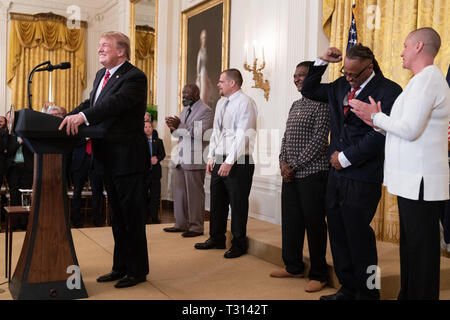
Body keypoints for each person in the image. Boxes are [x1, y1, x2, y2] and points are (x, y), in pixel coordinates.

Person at [349, 28, 450, 300]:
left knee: (421, 254)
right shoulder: (420, 81)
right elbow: (404, 128)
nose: (402, 51)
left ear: (419, 46)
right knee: (411, 249)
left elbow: (410, 129)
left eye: (405, 45)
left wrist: (377, 117)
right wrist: (376, 121)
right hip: (411, 180)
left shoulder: (429, 79)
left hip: (421, 181)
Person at [301, 44, 403, 300]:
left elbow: (381, 135)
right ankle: (347, 288)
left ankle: (369, 293)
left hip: (363, 175)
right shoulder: (339, 85)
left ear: (369, 67)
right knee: (337, 233)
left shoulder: (389, 90)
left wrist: (346, 158)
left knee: (361, 238)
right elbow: (309, 89)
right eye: (345, 71)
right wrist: (322, 61)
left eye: (354, 74)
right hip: (335, 177)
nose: (348, 77)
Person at [59, 31, 150, 289]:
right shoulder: (101, 75)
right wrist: (68, 116)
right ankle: (120, 266)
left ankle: (137, 270)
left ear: (121, 51)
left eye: (104, 46)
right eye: (98, 46)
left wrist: (83, 118)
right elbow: (93, 102)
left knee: (131, 217)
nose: (99, 50)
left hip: (128, 159)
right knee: (117, 218)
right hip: (107, 158)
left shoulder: (135, 77)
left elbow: (114, 104)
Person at [270, 61, 330, 293]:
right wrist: (282, 162)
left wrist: (294, 164)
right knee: (291, 222)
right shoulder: (295, 105)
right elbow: (286, 137)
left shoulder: (323, 104)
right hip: (291, 175)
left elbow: (319, 142)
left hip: (313, 173)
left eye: (302, 75)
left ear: (313, 77)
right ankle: (293, 266)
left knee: (314, 225)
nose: (296, 79)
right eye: (294, 75)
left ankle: (319, 273)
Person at [194, 69, 258, 259]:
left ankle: (239, 243)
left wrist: (229, 161)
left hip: (239, 160)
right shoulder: (222, 102)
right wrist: (212, 156)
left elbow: (244, 135)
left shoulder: (246, 102)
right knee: (217, 201)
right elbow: (217, 132)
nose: (218, 84)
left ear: (232, 83)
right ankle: (217, 238)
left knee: (237, 204)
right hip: (220, 157)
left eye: (221, 81)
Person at [164, 84, 213, 237]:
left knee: (194, 195)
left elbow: (199, 134)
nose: (183, 95)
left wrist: (180, 125)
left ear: (196, 93)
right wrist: (173, 127)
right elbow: (180, 134)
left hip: (195, 157)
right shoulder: (185, 109)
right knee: (179, 194)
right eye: (183, 93)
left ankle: (196, 227)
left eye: (187, 93)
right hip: (180, 156)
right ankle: (180, 223)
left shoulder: (206, 111)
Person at [70, 137, 105, 228]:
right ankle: (76, 220)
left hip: (96, 159)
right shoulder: (77, 123)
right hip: (80, 160)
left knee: (97, 191)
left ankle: (96, 220)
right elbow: (72, 141)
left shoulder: (96, 123)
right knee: (77, 191)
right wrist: (85, 138)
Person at [144, 120, 165, 224]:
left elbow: (163, 154)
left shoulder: (158, 141)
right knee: (143, 196)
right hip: (144, 174)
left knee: (155, 196)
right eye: (146, 127)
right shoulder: (140, 142)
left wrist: (157, 158)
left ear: (152, 129)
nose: (148, 129)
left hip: (155, 174)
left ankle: (154, 217)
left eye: (149, 127)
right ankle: (144, 217)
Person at [196, 29, 213, 106]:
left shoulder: (207, 50)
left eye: (205, 38)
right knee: (200, 89)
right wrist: (198, 74)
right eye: (202, 38)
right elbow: (198, 64)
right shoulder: (200, 51)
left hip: (205, 73)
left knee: (206, 90)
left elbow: (209, 63)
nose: (204, 40)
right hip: (201, 73)